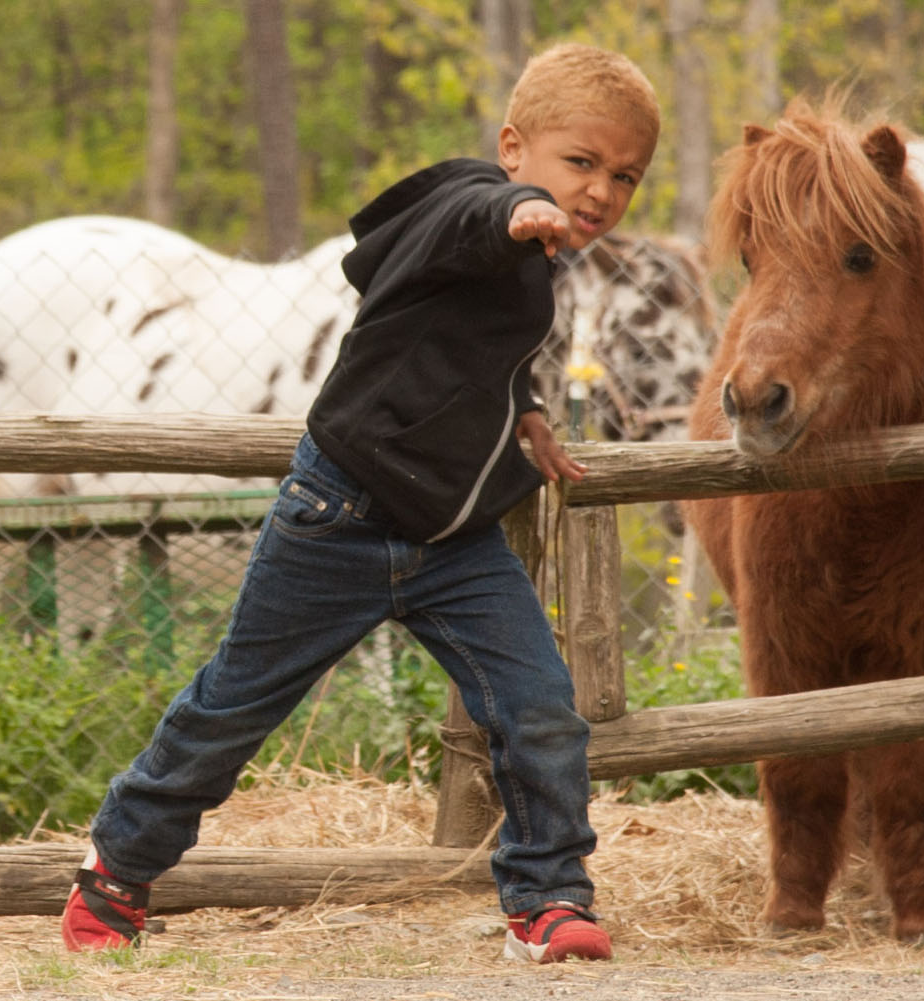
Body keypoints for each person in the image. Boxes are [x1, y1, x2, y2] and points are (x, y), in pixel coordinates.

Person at [60, 42, 661, 965]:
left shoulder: (530, 260)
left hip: (455, 545)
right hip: (337, 520)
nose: (601, 191)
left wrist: (526, 409)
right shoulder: (478, 209)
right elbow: (468, 224)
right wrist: (515, 211)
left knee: (540, 708)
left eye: (625, 176)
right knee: (233, 708)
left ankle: (547, 899)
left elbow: (456, 341)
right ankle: (115, 870)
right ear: (514, 148)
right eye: (580, 163)